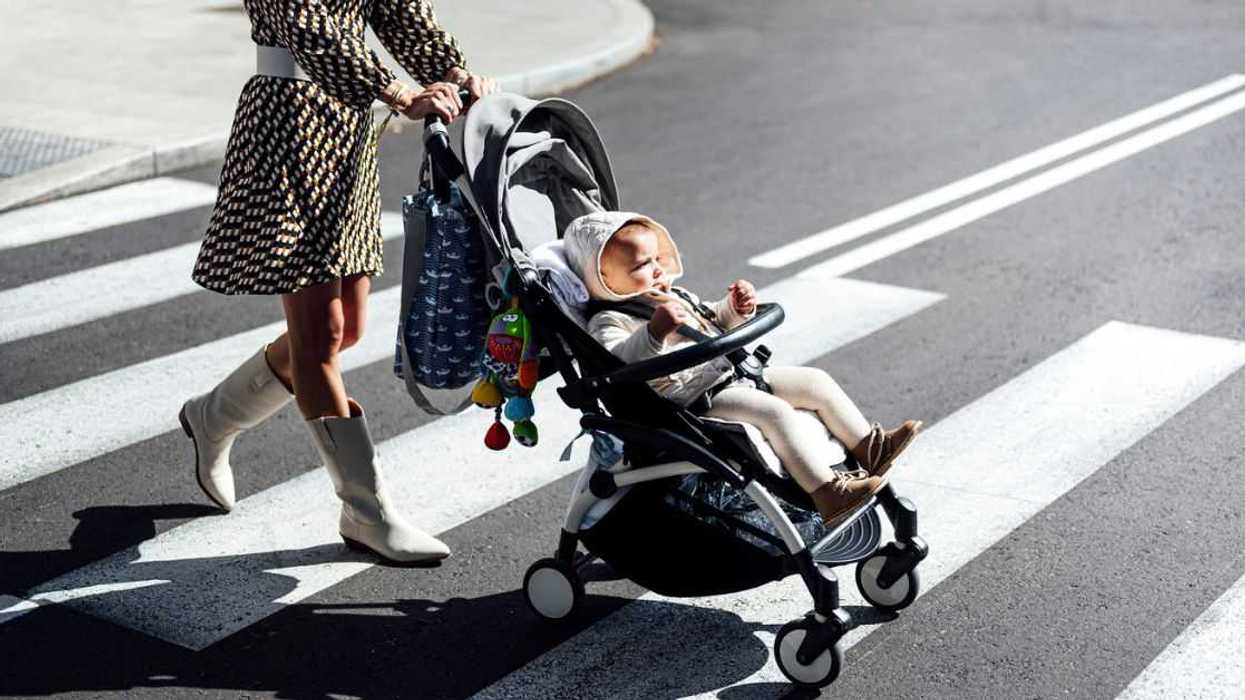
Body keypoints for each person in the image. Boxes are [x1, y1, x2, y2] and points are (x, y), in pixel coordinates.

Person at [179, 0, 497, 564]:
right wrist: (399, 92)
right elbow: (309, 29)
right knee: (320, 336)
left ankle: (213, 416)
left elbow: (400, 13)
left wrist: (453, 72)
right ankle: (365, 512)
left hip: (345, 130)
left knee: (346, 327)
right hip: (288, 128)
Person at [563, 212, 923, 525]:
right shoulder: (610, 319)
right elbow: (620, 361)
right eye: (641, 266)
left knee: (815, 382)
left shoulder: (675, 296)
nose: (657, 269)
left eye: (657, 258)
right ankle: (829, 493)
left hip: (733, 373)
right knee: (775, 412)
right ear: (604, 279)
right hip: (693, 400)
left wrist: (737, 308)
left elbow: (712, 320)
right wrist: (655, 332)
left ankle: (870, 448)